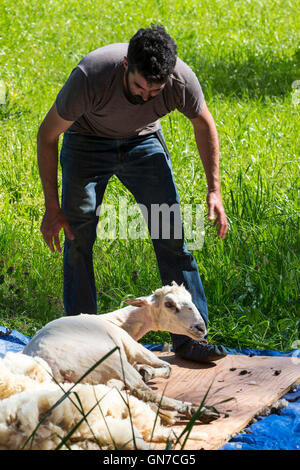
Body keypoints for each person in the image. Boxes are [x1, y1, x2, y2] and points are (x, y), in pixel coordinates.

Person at [37, 24, 228, 363]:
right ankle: (84, 341)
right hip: (86, 142)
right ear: (126, 65)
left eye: (156, 91)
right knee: (77, 238)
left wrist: (215, 189)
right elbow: (47, 136)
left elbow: (204, 123)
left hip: (144, 143)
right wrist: (52, 207)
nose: (146, 96)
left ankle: (190, 340)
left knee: (171, 236)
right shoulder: (90, 75)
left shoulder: (180, 81)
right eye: (140, 86)